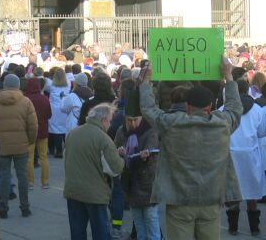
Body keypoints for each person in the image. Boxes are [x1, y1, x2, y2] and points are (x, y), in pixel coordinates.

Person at [138, 58, 243, 240]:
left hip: (179, 200)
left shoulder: (171, 123)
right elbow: (235, 107)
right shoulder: (223, 123)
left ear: (187, 106)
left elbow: (148, 108)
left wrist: (146, 82)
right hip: (212, 199)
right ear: (210, 107)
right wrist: (229, 76)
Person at [64, 103, 124, 240]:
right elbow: (115, 169)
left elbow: (66, 159)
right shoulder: (103, 138)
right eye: (109, 121)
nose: (110, 124)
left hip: (73, 191)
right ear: (103, 120)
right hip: (95, 195)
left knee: (77, 232)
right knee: (100, 232)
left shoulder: (73, 133)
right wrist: (121, 158)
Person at [0, 74, 38, 219]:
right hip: (21, 145)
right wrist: (29, 141)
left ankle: (3, 208)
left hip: (1, 146)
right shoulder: (26, 102)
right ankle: (25, 207)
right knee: (22, 176)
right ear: (18, 85)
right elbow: (33, 126)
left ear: (4, 84)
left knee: (4, 176)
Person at [115, 92, 161, 240]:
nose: (132, 124)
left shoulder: (150, 130)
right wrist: (119, 150)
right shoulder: (122, 130)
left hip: (148, 183)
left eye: (135, 120)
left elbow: (153, 150)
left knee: (151, 219)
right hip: (130, 182)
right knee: (138, 222)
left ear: (142, 117)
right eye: (129, 120)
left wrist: (146, 156)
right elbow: (114, 147)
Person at [222, 80, 266, 236]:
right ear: (248, 90)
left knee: (234, 192)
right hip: (250, 154)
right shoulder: (257, 110)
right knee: (252, 192)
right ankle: (255, 228)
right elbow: (261, 132)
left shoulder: (223, 109)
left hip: (231, 154)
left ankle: (233, 227)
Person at [25, 78, 52, 189]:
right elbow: (49, 115)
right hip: (43, 130)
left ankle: (30, 182)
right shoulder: (44, 99)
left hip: (29, 131)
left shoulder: (25, 99)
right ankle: (45, 182)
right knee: (43, 157)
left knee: (29, 158)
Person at [44, 68, 70, 158]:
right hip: (64, 108)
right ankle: (64, 149)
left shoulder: (50, 84)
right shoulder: (69, 84)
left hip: (54, 109)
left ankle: (53, 149)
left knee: (54, 129)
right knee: (63, 128)